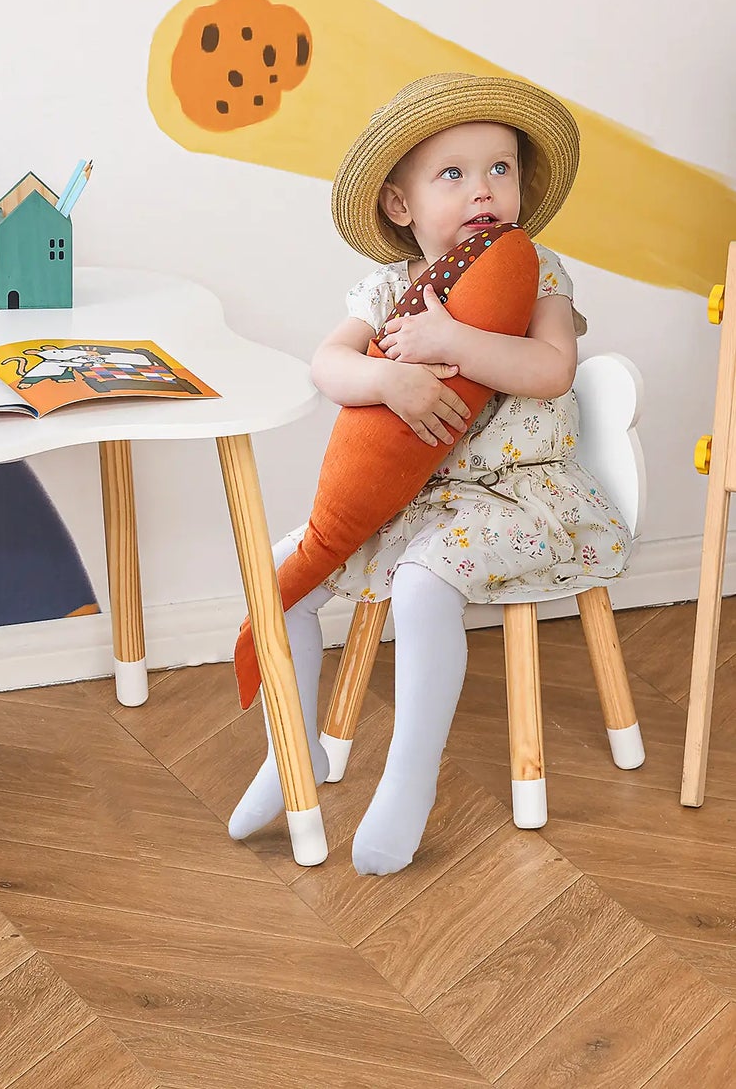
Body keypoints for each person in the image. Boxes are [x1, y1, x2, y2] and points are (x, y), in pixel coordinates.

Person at [229, 73, 633, 873]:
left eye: (499, 169)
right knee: (280, 574)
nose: (483, 189)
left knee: (421, 582)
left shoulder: (537, 270)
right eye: (452, 173)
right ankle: (290, 748)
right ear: (399, 204)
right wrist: (386, 378)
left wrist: (452, 342)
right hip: (418, 499)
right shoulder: (388, 289)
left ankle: (408, 779)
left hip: (523, 495)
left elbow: (551, 368)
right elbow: (326, 364)